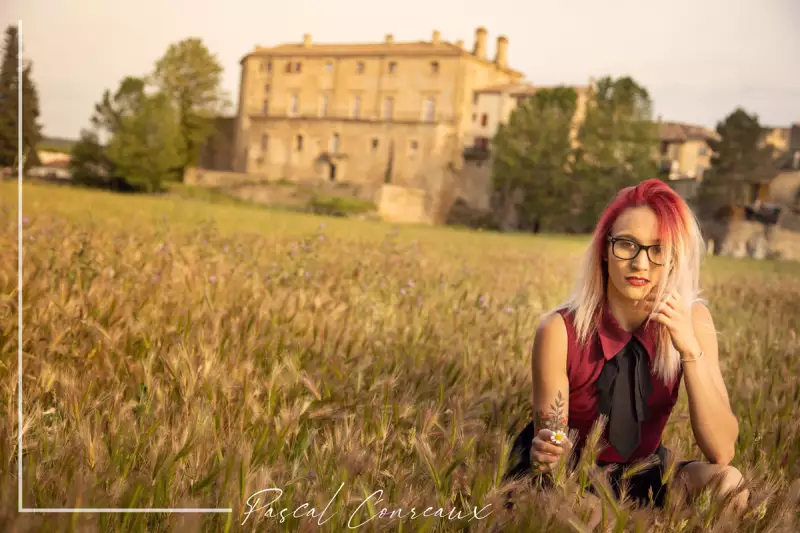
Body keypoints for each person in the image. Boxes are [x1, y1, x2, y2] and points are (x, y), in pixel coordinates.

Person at [504, 179, 748, 512]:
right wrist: (547, 449)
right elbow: (552, 447)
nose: (640, 264)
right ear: (604, 250)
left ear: (675, 258)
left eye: (658, 249)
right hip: (571, 477)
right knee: (590, 515)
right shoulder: (560, 331)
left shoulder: (694, 319)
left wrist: (689, 350)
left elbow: (721, 451)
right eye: (626, 245)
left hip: (647, 475)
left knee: (731, 487)